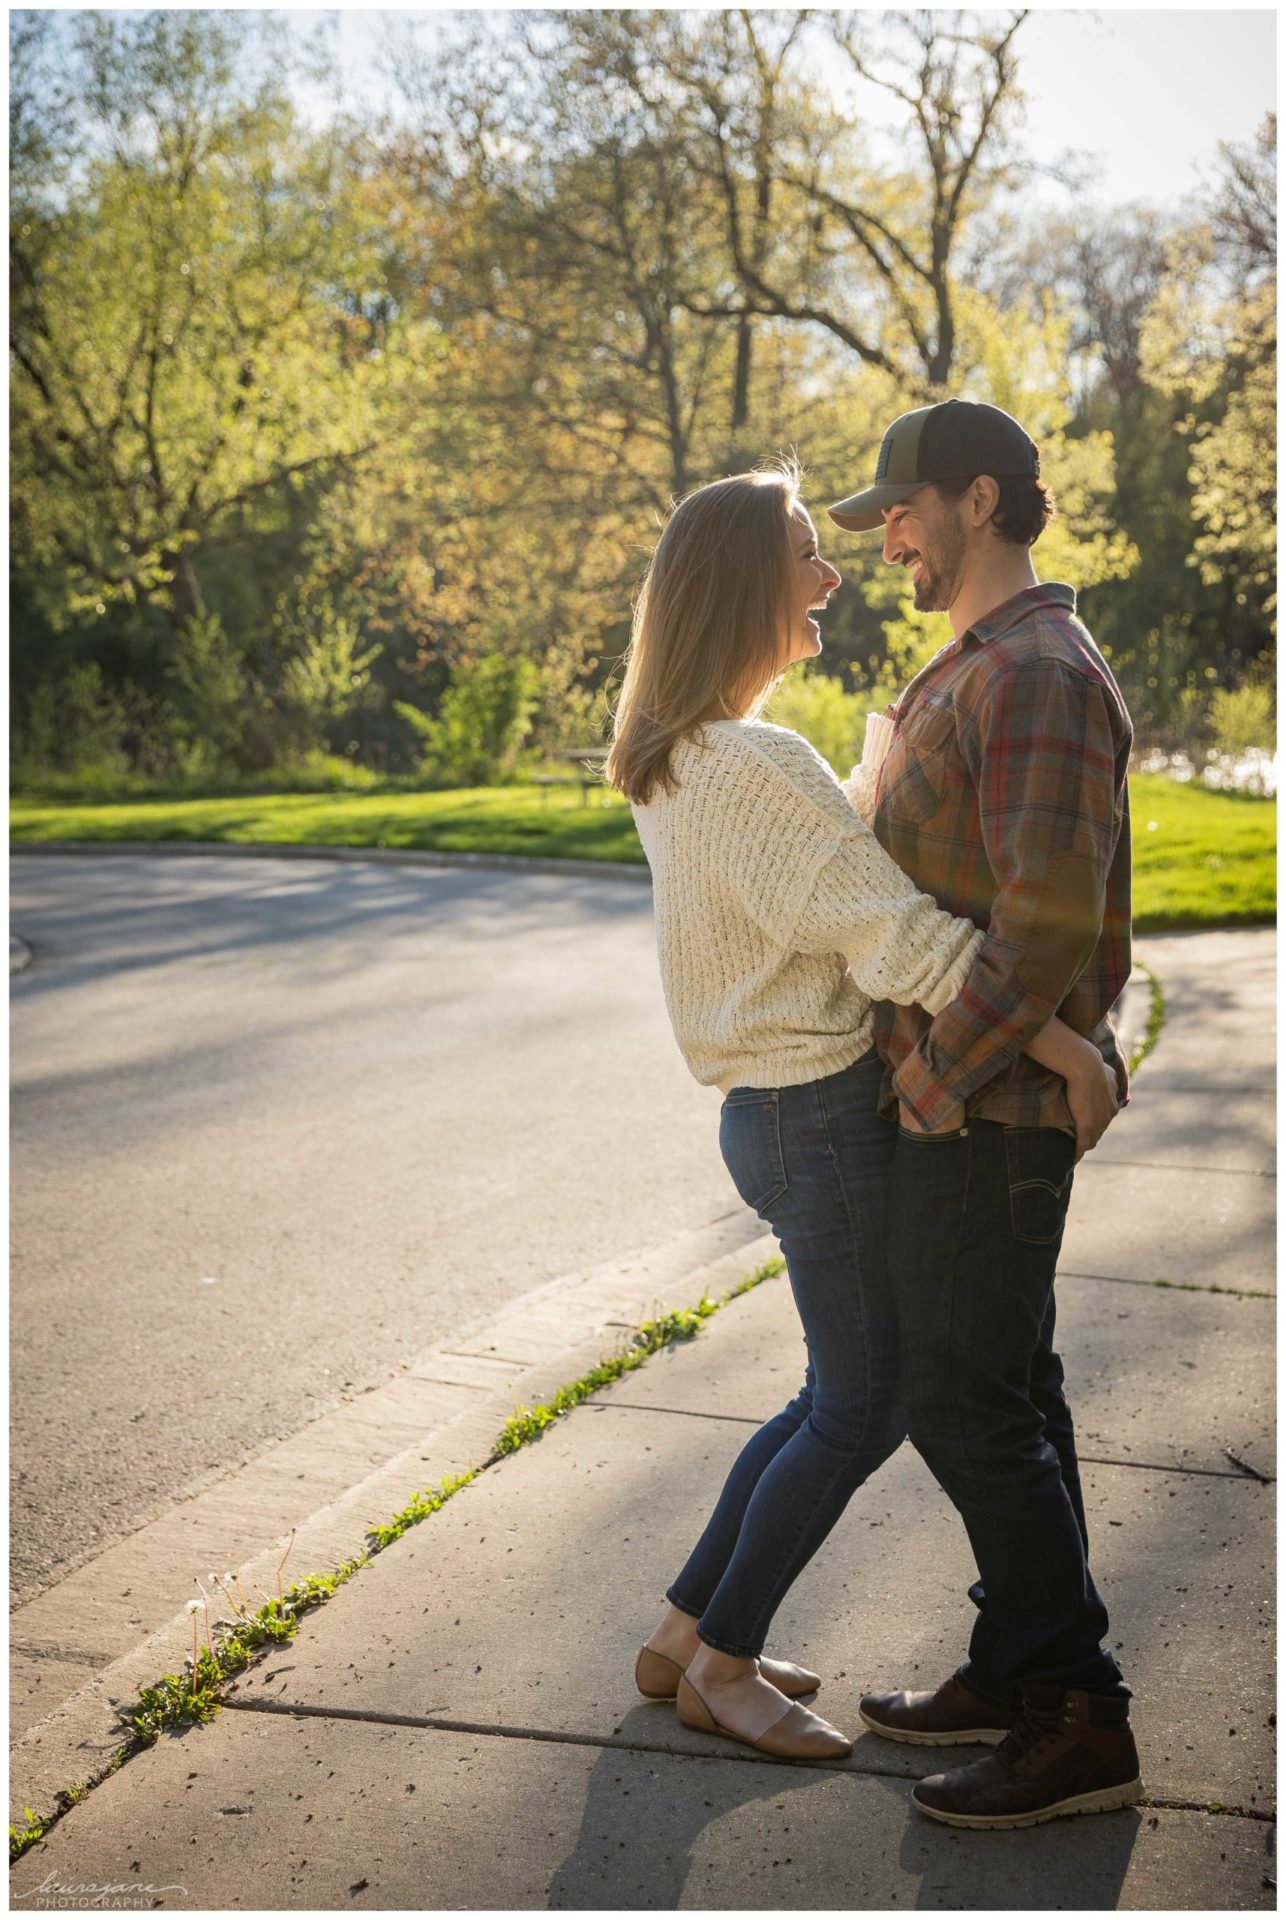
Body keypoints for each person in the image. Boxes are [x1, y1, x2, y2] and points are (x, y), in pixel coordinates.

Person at [607, 459, 1121, 1763]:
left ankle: (683, 1633)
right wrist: (1061, 1047)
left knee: (826, 1393)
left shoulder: (694, 758)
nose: (830, 572)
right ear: (740, 586)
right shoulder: (749, 764)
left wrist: (861, 781)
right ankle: (725, 1664)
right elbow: (888, 938)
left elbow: (803, 881)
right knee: (864, 1402)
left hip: (770, 1116)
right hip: (816, 1117)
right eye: (801, 551)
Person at [827, 398, 1140, 1828]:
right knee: (1009, 1392)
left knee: (962, 1404)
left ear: (977, 497)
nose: (886, 536)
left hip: (985, 1111)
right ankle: (1020, 1668)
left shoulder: (1037, 674)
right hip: (974, 1099)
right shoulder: (979, 664)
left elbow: (1046, 924)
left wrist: (925, 1077)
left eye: (900, 509)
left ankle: (1075, 1715)